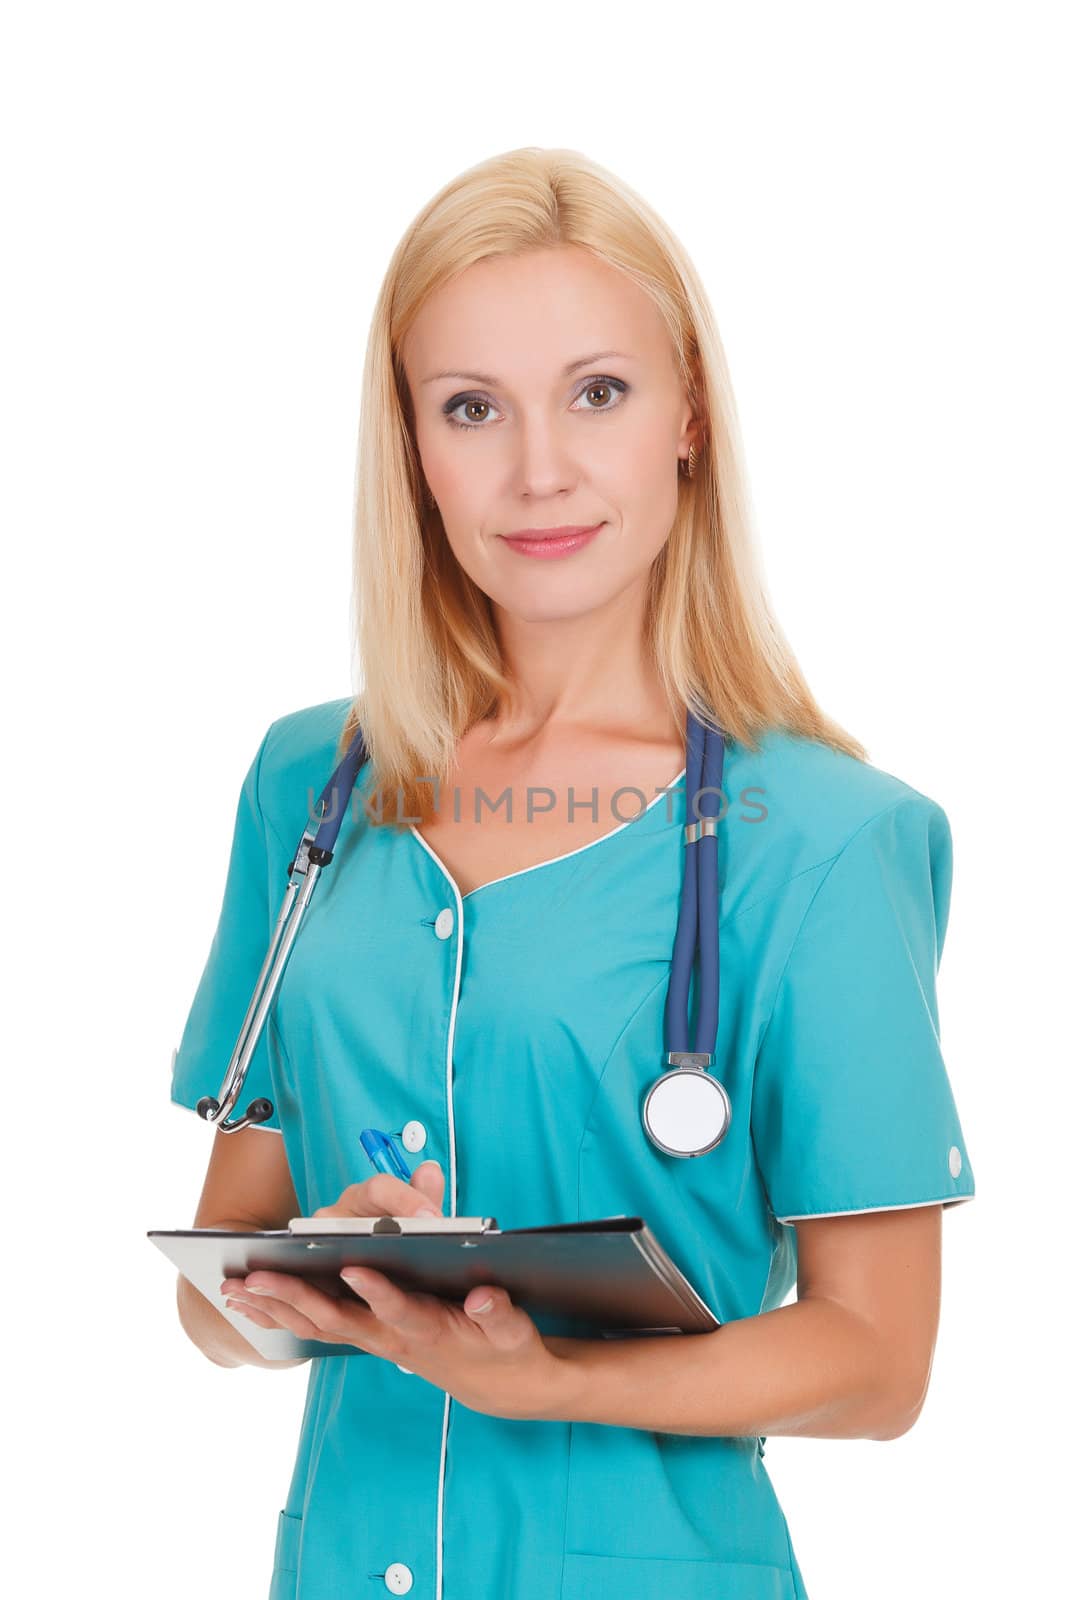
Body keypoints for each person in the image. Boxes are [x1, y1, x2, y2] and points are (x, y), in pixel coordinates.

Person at [170, 146, 976, 1600]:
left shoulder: (826, 841)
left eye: (597, 394)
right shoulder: (311, 788)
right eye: (471, 408)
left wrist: (551, 1382)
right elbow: (218, 1299)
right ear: (411, 444)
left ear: (690, 419)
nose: (539, 470)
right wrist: (305, 1280)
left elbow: (877, 1362)